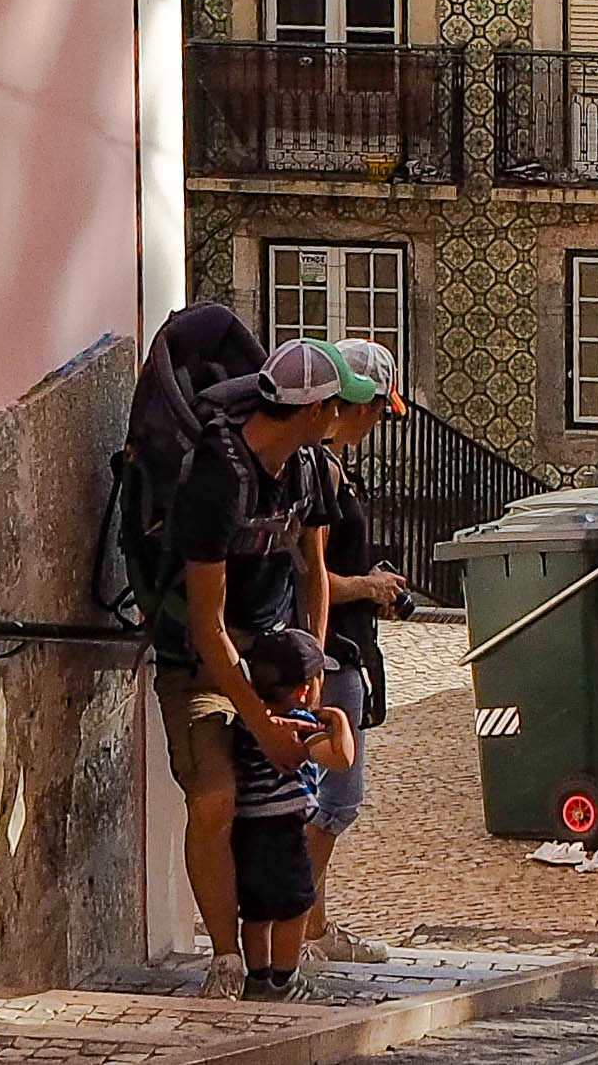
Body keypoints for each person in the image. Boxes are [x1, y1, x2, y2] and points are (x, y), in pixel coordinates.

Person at [148, 335, 344, 993]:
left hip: (272, 660)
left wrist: (308, 672)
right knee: (215, 797)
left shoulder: (308, 468)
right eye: (334, 406)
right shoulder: (219, 476)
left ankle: (272, 963)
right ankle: (227, 958)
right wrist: (260, 722)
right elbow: (206, 624)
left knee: (283, 805)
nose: (341, 418)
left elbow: (313, 571)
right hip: (200, 665)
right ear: (312, 408)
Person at [296, 338, 415, 968]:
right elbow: (307, 577)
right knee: (332, 802)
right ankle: (306, 930)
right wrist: (367, 587)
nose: (376, 425)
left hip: (340, 647)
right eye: (376, 412)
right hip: (333, 653)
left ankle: (313, 924)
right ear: (361, 405)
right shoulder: (323, 470)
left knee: (324, 800)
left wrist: (371, 580)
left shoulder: (322, 466)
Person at [225, 624, 360, 1000]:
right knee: (295, 906)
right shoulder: (297, 726)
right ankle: (286, 980)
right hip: (283, 828)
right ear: (305, 688)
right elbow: (341, 758)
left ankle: (257, 978)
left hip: (245, 826)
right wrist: (341, 722)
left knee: (256, 911)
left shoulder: (246, 722)